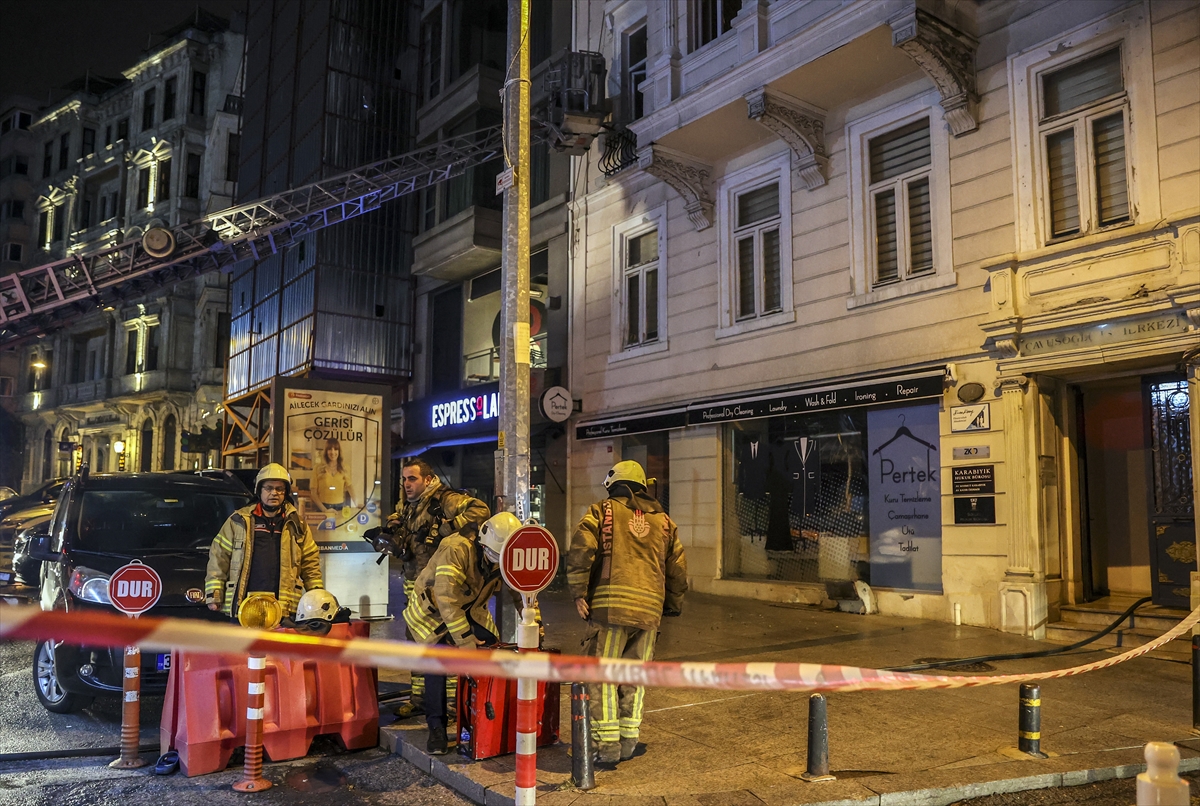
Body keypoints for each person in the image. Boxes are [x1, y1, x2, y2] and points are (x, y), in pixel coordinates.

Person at [566, 460, 688, 765]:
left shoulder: (601, 511)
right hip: (649, 612)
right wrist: (671, 605)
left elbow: (582, 550)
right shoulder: (664, 522)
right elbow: (677, 569)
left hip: (610, 609)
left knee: (603, 676)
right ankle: (629, 740)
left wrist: (579, 592)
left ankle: (607, 745)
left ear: (613, 486)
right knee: (635, 676)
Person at [403, 510, 521, 755]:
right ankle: (436, 728)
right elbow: (446, 599)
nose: (495, 564)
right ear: (482, 543)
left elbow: (521, 589)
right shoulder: (455, 549)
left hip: (467, 610)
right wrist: (466, 643)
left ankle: (479, 717)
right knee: (439, 660)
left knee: (490, 646)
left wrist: (535, 621)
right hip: (432, 613)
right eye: (494, 557)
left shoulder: (503, 555)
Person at [388, 458, 490, 718]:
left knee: (447, 641)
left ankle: (455, 702)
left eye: (413, 479)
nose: (407, 484)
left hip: (443, 585)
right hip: (415, 582)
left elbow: (481, 510)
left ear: (429, 479)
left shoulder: (445, 499)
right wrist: (392, 527)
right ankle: (420, 698)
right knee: (417, 640)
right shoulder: (410, 505)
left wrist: (447, 527)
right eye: (404, 479)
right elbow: (401, 521)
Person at [204, 463, 324, 620]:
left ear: (286, 492)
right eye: (268, 488)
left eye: (279, 489)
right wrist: (214, 595)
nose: (274, 493)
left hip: (283, 608)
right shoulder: (239, 521)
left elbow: (311, 564)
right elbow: (219, 558)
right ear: (259, 490)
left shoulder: (297, 525)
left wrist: (317, 596)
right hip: (244, 607)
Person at [312, 438, 354, 515]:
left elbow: (350, 487)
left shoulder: (345, 468)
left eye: (335, 449)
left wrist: (357, 503)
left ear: (339, 452)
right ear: (326, 452)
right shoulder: (317, 468)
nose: (333, 452)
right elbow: (313, 493)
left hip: (340, 508)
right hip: (323, 507)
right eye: (330, 449)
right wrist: (324, 510)